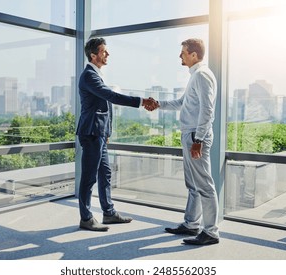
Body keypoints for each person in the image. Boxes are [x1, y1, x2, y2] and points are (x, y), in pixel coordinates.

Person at [76, 37, 157, 231]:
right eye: (104, 51)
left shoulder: (96, 74)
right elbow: (111, 97)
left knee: (105, 173)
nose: (107, 54)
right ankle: (86, 218)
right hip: (92, 133)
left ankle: (109, 213)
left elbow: (105, 107)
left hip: (100, 134)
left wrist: (108, 132)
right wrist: (140, 101)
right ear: (93, 55)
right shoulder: (89, 76)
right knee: (89, 177)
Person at [151, 38, 219, 245]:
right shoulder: (195, 76)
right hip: (190, 135)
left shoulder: (202, 75)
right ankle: (191, 224)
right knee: (193, 184)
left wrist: (198, 139)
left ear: (193, 55)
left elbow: (207, 109)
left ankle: (211, 232)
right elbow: (183, 103)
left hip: (195, 136)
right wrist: (158, 104)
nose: (180, 56)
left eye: (183, 52)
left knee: (204, 185)